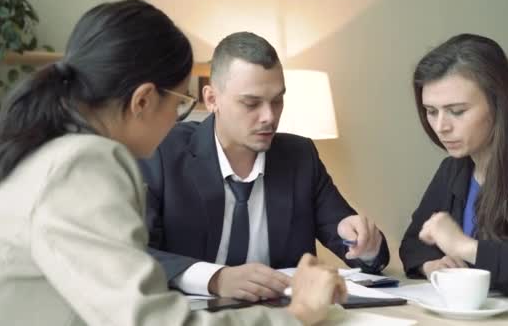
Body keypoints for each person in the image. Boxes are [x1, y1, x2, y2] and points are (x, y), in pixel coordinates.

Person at [0, 0, 348, 326]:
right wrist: (297, 313)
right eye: (181, 102)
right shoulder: (84, 162)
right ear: (144, 100)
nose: (180, 119)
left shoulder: (45, 149)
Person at [139, 31, 390, 302]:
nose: (269, 117)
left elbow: (364, 256)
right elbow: (134, 254)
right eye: (251, 103)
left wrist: (365, 245)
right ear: (212, 99)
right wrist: (216, 278)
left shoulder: (300, 156)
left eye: (277, 101)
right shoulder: (162, 151)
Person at [399, 33, 508, 300]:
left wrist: (466, 248)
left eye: (457, 111)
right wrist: (432, 266)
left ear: (498, 103)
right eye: (431, 111)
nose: (441, 127)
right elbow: (413, 245)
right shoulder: (452, 169)